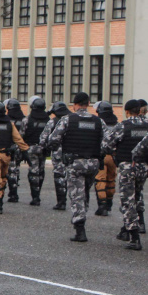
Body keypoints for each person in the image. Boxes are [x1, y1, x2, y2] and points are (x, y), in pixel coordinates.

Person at [46, 92, 107, 243]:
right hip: (93, 163)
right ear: (88, 104)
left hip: (75, 163)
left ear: (74, 104)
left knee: (76, 195)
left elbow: (53, 139)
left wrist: (61, 150)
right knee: (84, 191)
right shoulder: (98, 121)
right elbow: (108, 142)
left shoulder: (68, 119)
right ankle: (82, 214)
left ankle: (80, 230)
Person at [102, 99, 148, 250]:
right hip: (144, 168)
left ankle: (134, 237)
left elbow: (106, 145)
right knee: (136, 195)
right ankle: (128, 228)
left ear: (127, 112)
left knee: (127, 201)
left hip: (128, 166)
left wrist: (114, 153)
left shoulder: (123, 126)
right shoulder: (146, 125)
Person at [0, 100, 28, 214]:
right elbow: (18, 138)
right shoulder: (9, 123)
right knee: (3, 178)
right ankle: (0, 201)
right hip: (7, 155)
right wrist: (25, 151)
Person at [93, 100, 118, 216]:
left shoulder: (98, 123)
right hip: (114, 156)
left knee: (100, 180)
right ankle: (109, 204)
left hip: (102, 155)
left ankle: (102, 206)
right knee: (111, 180)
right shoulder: (117, 124)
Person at [5, 98, 25, 202]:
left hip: (10, 147)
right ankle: (15, 186)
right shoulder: (24, 119)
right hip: (20, 148)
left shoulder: (7, 119)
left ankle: (13, 193)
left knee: (11, 170)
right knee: (16, 169)